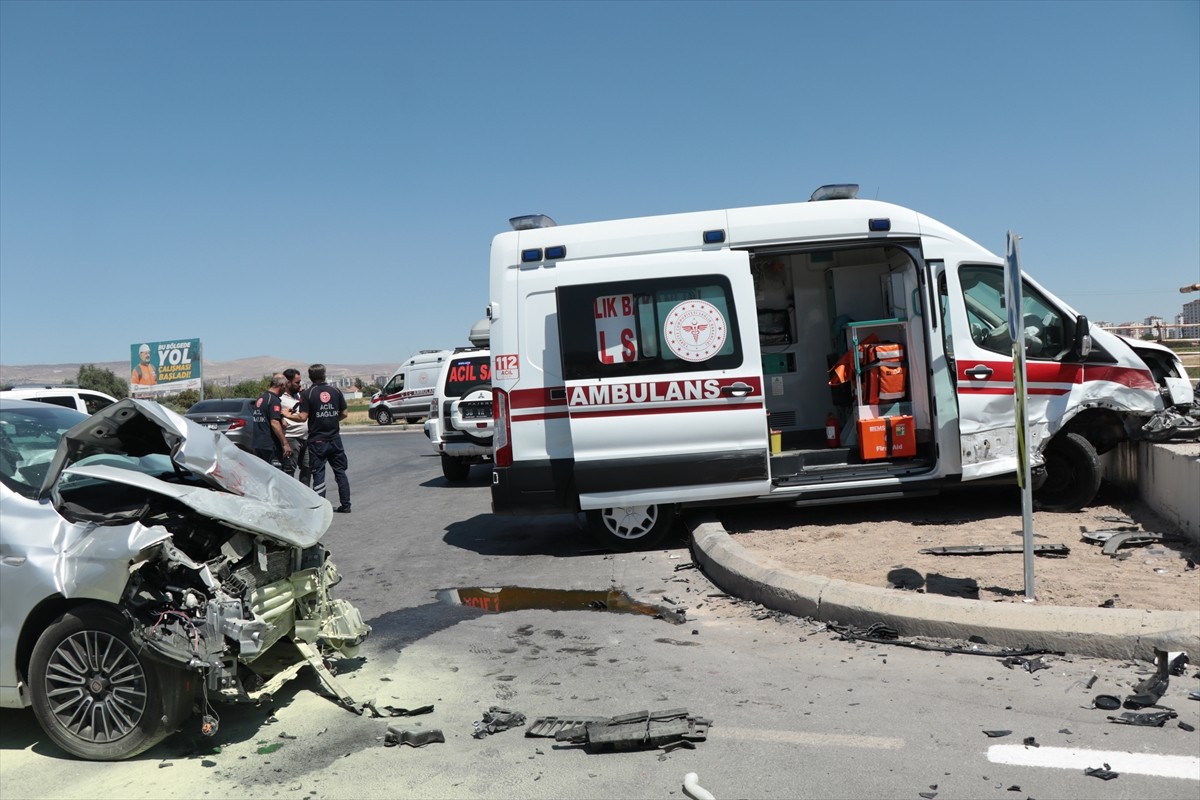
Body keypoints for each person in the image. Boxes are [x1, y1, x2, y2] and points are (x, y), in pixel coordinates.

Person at [296, 363, 351, 512]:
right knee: (340, 472)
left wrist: (287, 415)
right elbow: (344, 413)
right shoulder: (336, 391)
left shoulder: (307, 394)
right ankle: (346, 505)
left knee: (318, 473)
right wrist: (332, 420)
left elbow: (302, 417)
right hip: (335, 439)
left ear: (310, 376)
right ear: (324, 374)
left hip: (317, 441)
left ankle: (321, 509)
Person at [250, 374, 291, 468]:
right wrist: (285, 443)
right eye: (285, 387)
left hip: (258, 444)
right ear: (281, 385)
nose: (285, 391)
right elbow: (274, 423)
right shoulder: (273, 400)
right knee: (275, 475)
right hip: (270, 445)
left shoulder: (262, 398)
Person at [280, 367, 310, 485]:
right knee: (289, 470)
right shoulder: (280, 399)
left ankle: (305, 495)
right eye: (297, 382)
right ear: (288, 383)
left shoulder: (299, 396)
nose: (299, 385)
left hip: (305, 438)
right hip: (291, 438)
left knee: (307, 468)